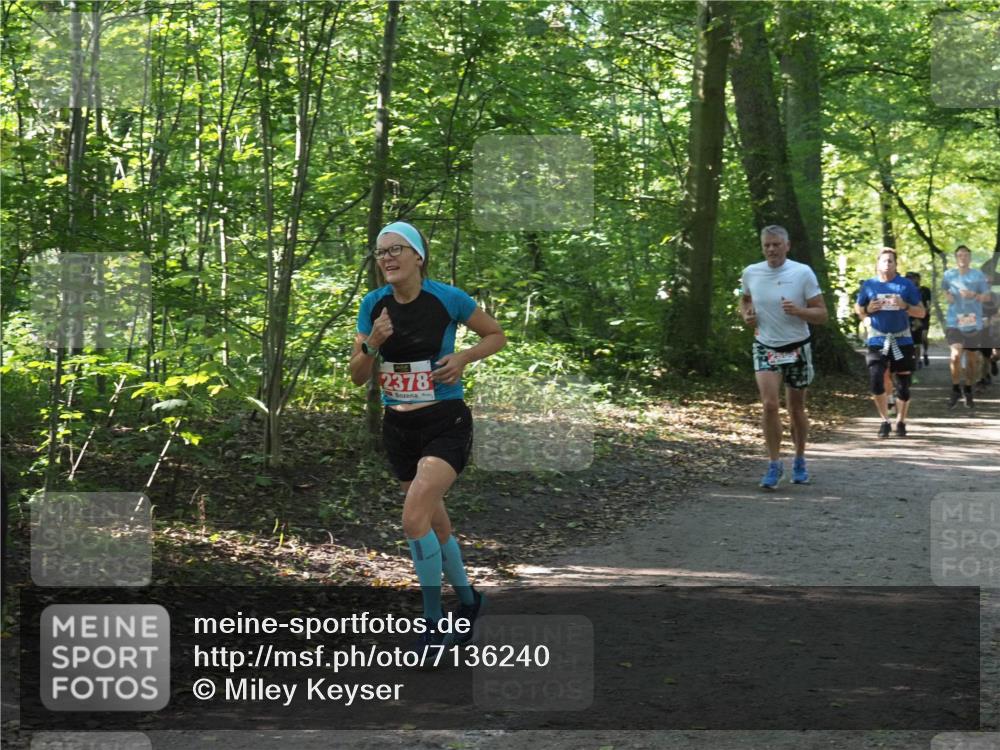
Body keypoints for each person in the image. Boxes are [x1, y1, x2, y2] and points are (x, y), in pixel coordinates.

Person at [350, 220, 506, 652]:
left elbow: (496, 335)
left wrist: (464, 357)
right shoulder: (374, 304)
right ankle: (471, 601)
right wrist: (373, 344)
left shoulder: (448, 298)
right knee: (435, 526)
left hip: (445, 423)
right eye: (381, 252)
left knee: (413, 519)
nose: (387, 257)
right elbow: (357, 375)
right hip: (399, 428)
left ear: (418, 256)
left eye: (396, 249)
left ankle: (434, 624)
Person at [739, 225, 828, 490]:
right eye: (767, 245)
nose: (771, 250)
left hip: (798, 347)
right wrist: (746, 315)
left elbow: (822, 314)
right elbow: (744, 301)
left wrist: (800, 311)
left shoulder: (802, 272)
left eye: (776, 244)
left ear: (787, 246)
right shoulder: (751, 272)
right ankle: (774, 463)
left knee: (796, 407)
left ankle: (799, 459)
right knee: (768, 405)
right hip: (765, 346)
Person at [856, 249, 926, 438]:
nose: (887, 264)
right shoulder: (869, 285)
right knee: (876, 379)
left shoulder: (905, 286)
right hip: (877, 339)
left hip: (902, 339)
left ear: (896, 264)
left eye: (891, 261)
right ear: (877, 264)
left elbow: (921, 312)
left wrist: (905, 306)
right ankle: (884, 421)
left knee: (903, 385)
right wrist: (867, 310)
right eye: (884, 261)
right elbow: (859, 308)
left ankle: (901, 421)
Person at [943, 245, 990, 409]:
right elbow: (945, 290)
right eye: (959, 255)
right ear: (956, 258)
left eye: (965, 255)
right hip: (954, 321)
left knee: (971, 360)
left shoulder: (978, 276)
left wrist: (974, 295)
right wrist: (948, 296)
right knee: (955, 355)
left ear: (970, 258)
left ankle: (968, 388)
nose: (962, 258)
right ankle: (956, 388)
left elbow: (987, 297)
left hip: (973, 322)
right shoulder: (948, 274)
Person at [904, 271, 932, 368]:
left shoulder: (925, 290)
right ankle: (916, 360)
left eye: (913, 278)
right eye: (908, 278)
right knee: (913, 340)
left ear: (918, 279)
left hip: (923, 316)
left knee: (923, 337)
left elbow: (928, 305)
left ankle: (925, 353)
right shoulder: (905, 290)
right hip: (910, 317)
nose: (911, 280)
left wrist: (922, 314)